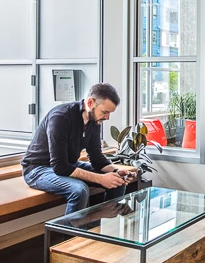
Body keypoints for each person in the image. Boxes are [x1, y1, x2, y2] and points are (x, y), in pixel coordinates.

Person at [22, 82, 137, 214]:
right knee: (79, 190)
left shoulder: (94, 121)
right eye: (105, 112)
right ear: (90, 103)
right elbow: (60, 166)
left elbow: (96, 158)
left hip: (67, 165)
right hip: (37, 169)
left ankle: (101, 228)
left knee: (118, 181)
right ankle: (72, 234)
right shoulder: (60, 117)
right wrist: (101, 179)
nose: (107, 117)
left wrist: (116, 171)